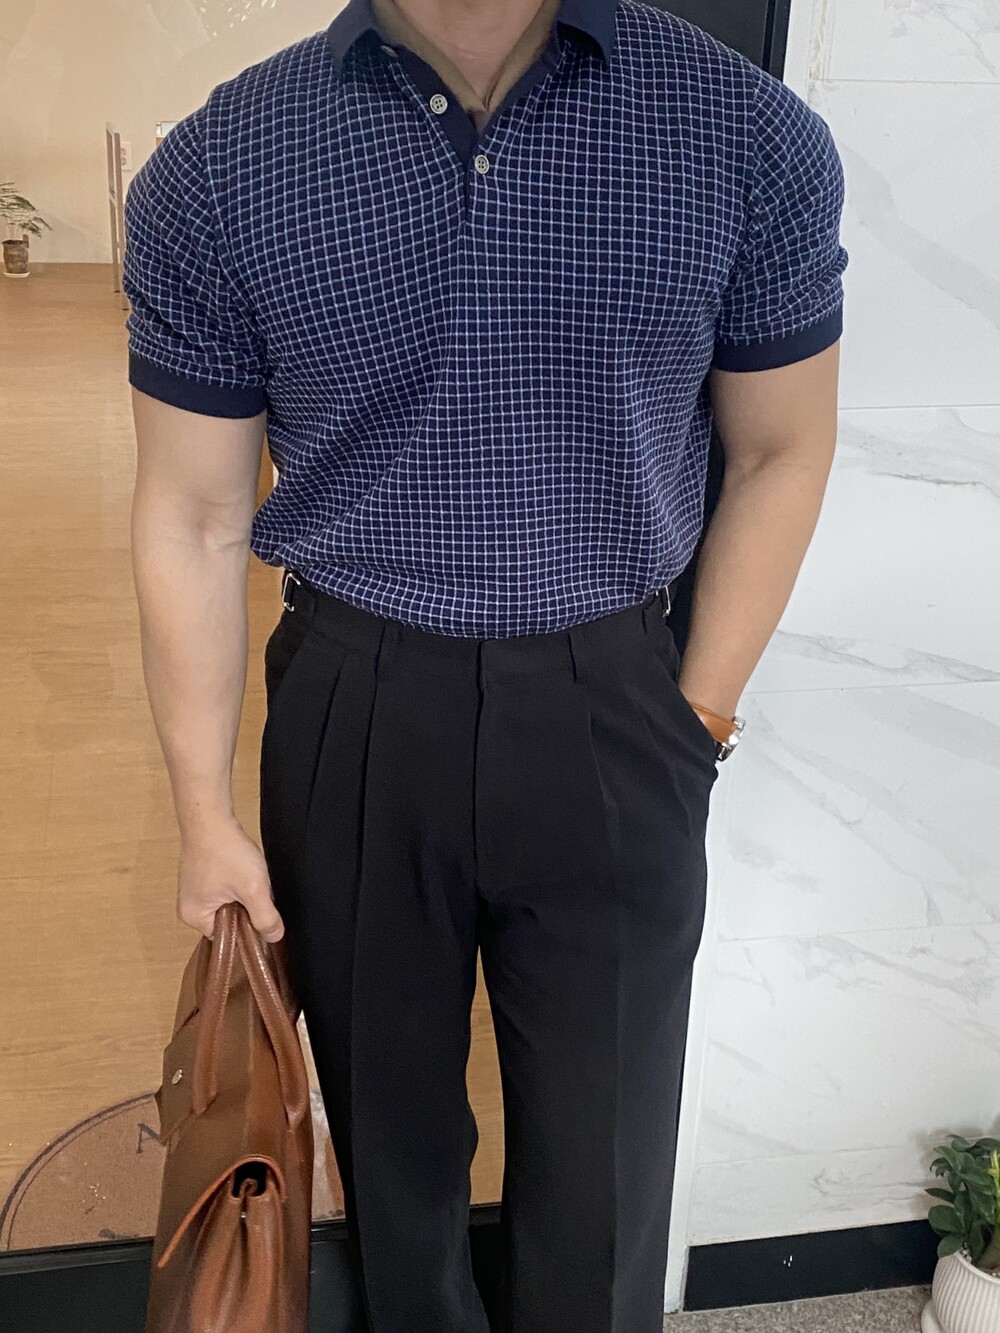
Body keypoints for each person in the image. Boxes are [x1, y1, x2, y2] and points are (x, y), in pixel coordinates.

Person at [123, 0, 848, 1329]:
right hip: (352, 704)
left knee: (608, 1152)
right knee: (388, 1145)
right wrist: (205, 816)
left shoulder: (743, 132)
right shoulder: (224, 162)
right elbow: (193, 510)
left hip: (620, 704)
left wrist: (699, 715)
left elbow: (780, 447)